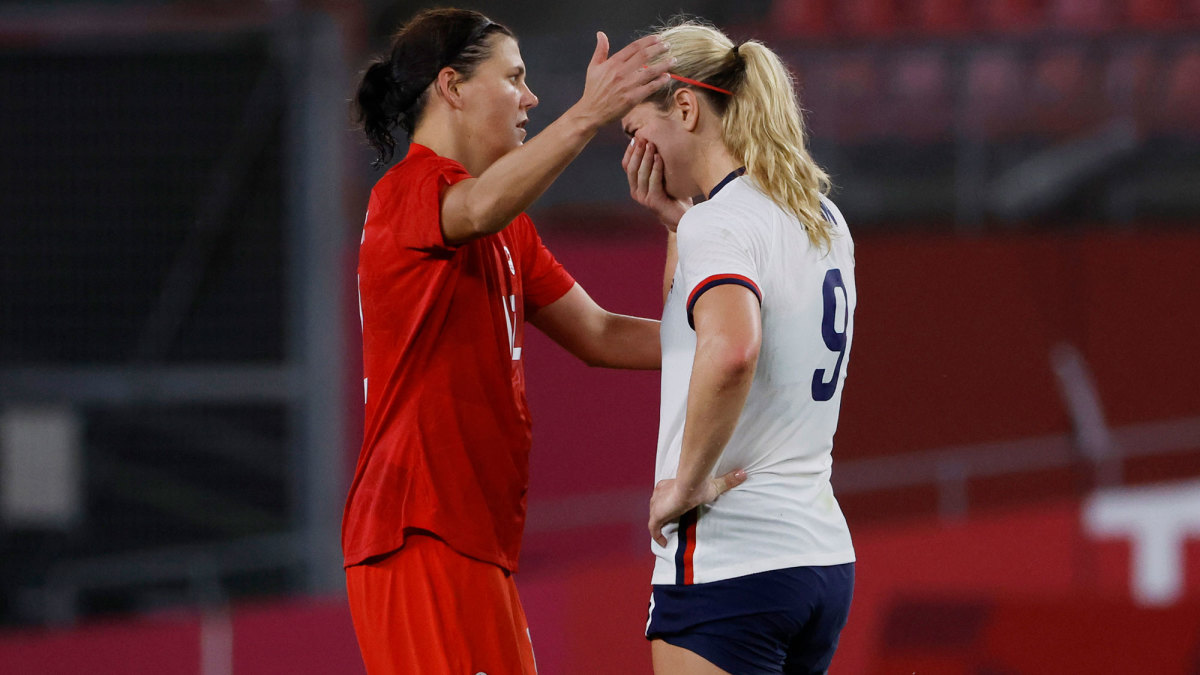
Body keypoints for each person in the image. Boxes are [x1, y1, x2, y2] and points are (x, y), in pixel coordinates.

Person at [342, 8, 700, 675]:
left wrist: (724, 329)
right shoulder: (407, 193)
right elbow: (477, 208)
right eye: (514, 77)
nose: (531, 97)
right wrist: (588, 115)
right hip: (416, 532)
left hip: (477, 541)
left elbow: (599, 333)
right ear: (451, 86)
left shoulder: (507, 226)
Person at [620, 20, 857, 675]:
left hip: (732, 558)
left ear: (686, 108)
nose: (632, 150)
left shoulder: (721, 225)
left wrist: (687, 483)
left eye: (635, 127)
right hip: (818, 555)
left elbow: (730, 349)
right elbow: (690, 333)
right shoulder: (819, 213)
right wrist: (678, 220)